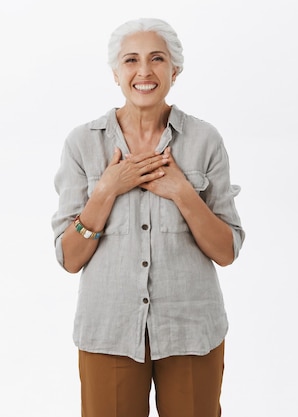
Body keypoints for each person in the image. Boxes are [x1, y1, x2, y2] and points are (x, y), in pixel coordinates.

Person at [51, 18, 245, 417]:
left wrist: (182, 191)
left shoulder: (205, 141)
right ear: (116, 73)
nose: (144, 71)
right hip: (109, 330)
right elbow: (69, 259)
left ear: (175, 71)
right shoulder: (82, 143)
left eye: (157, 59)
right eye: (131, 60)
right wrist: (106, 189)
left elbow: (226, 252)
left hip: (191, 328)